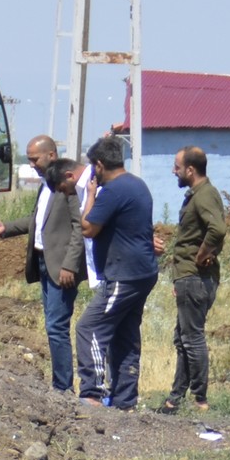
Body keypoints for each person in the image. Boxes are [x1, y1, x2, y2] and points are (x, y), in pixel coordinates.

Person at [0, 135, 84, 393]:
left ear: (51, 155)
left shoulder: (68, 184)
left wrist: (70, 265)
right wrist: (7, 228)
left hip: (60, 267)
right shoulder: (46, 185)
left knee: (56, 326)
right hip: (44, 262)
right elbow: (37, 220)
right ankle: (59, 385)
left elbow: (79, 228)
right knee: (52, 325)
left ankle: (63, 388)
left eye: (34, 159)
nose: (31, 164)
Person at [76, 134, 156, 410]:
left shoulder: (113, 191)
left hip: (124, 274)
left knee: (90, 328)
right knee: (125, 336)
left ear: (98, 165)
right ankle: (124, 401)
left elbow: (88, 228)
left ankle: (92, 393)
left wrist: (89, 195)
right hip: (142, 272)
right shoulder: (137, 185)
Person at [154, 145, 228, 413]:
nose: (173, 171)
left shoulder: (203, 195)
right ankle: (175, 398)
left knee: (191, 338)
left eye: (177, 166)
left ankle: (200, 400)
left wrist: (202, 254)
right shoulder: (201, 194)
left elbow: (218, 228)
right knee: (183, 337)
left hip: (194, 277)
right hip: (190, 277)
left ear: (190, 170)